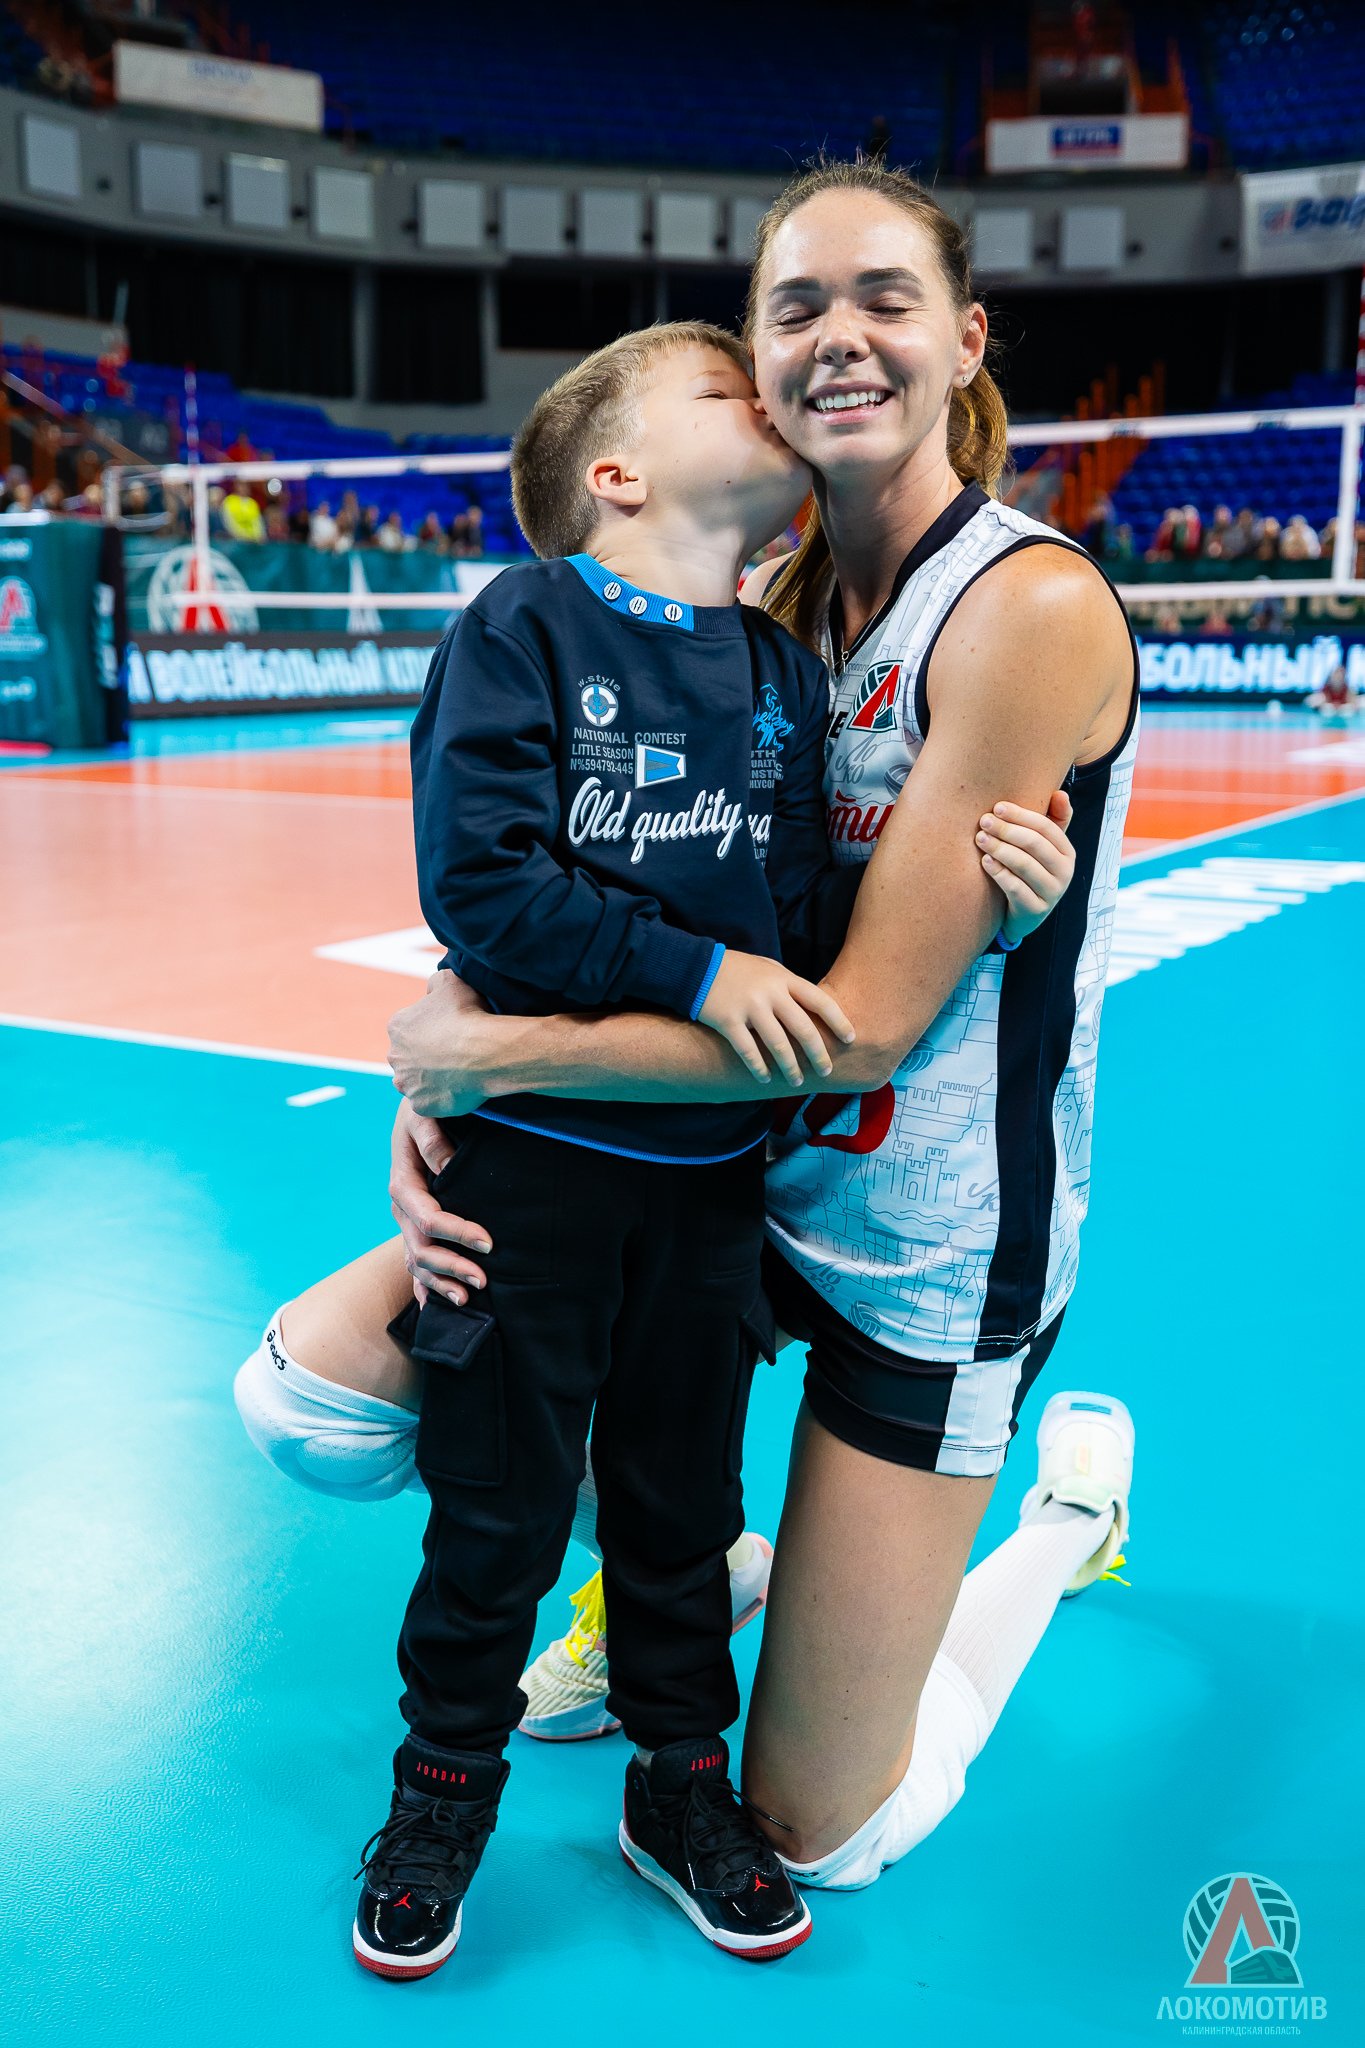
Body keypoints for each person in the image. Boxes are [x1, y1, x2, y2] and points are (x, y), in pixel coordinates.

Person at [237, 157, 1130, 1949]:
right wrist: (446, 1082)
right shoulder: (764, 615)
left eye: (882, 298)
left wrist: (485, 1054)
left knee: (821, 1834)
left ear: (964, 340)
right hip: (719, 1177)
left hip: (914, 1233)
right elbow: (612, 874)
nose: (835, 336)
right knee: (311, 1404)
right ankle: (715, 1569)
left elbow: (853, 1024)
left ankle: (1062, 1520)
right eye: (791, 310)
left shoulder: (1019, 606)